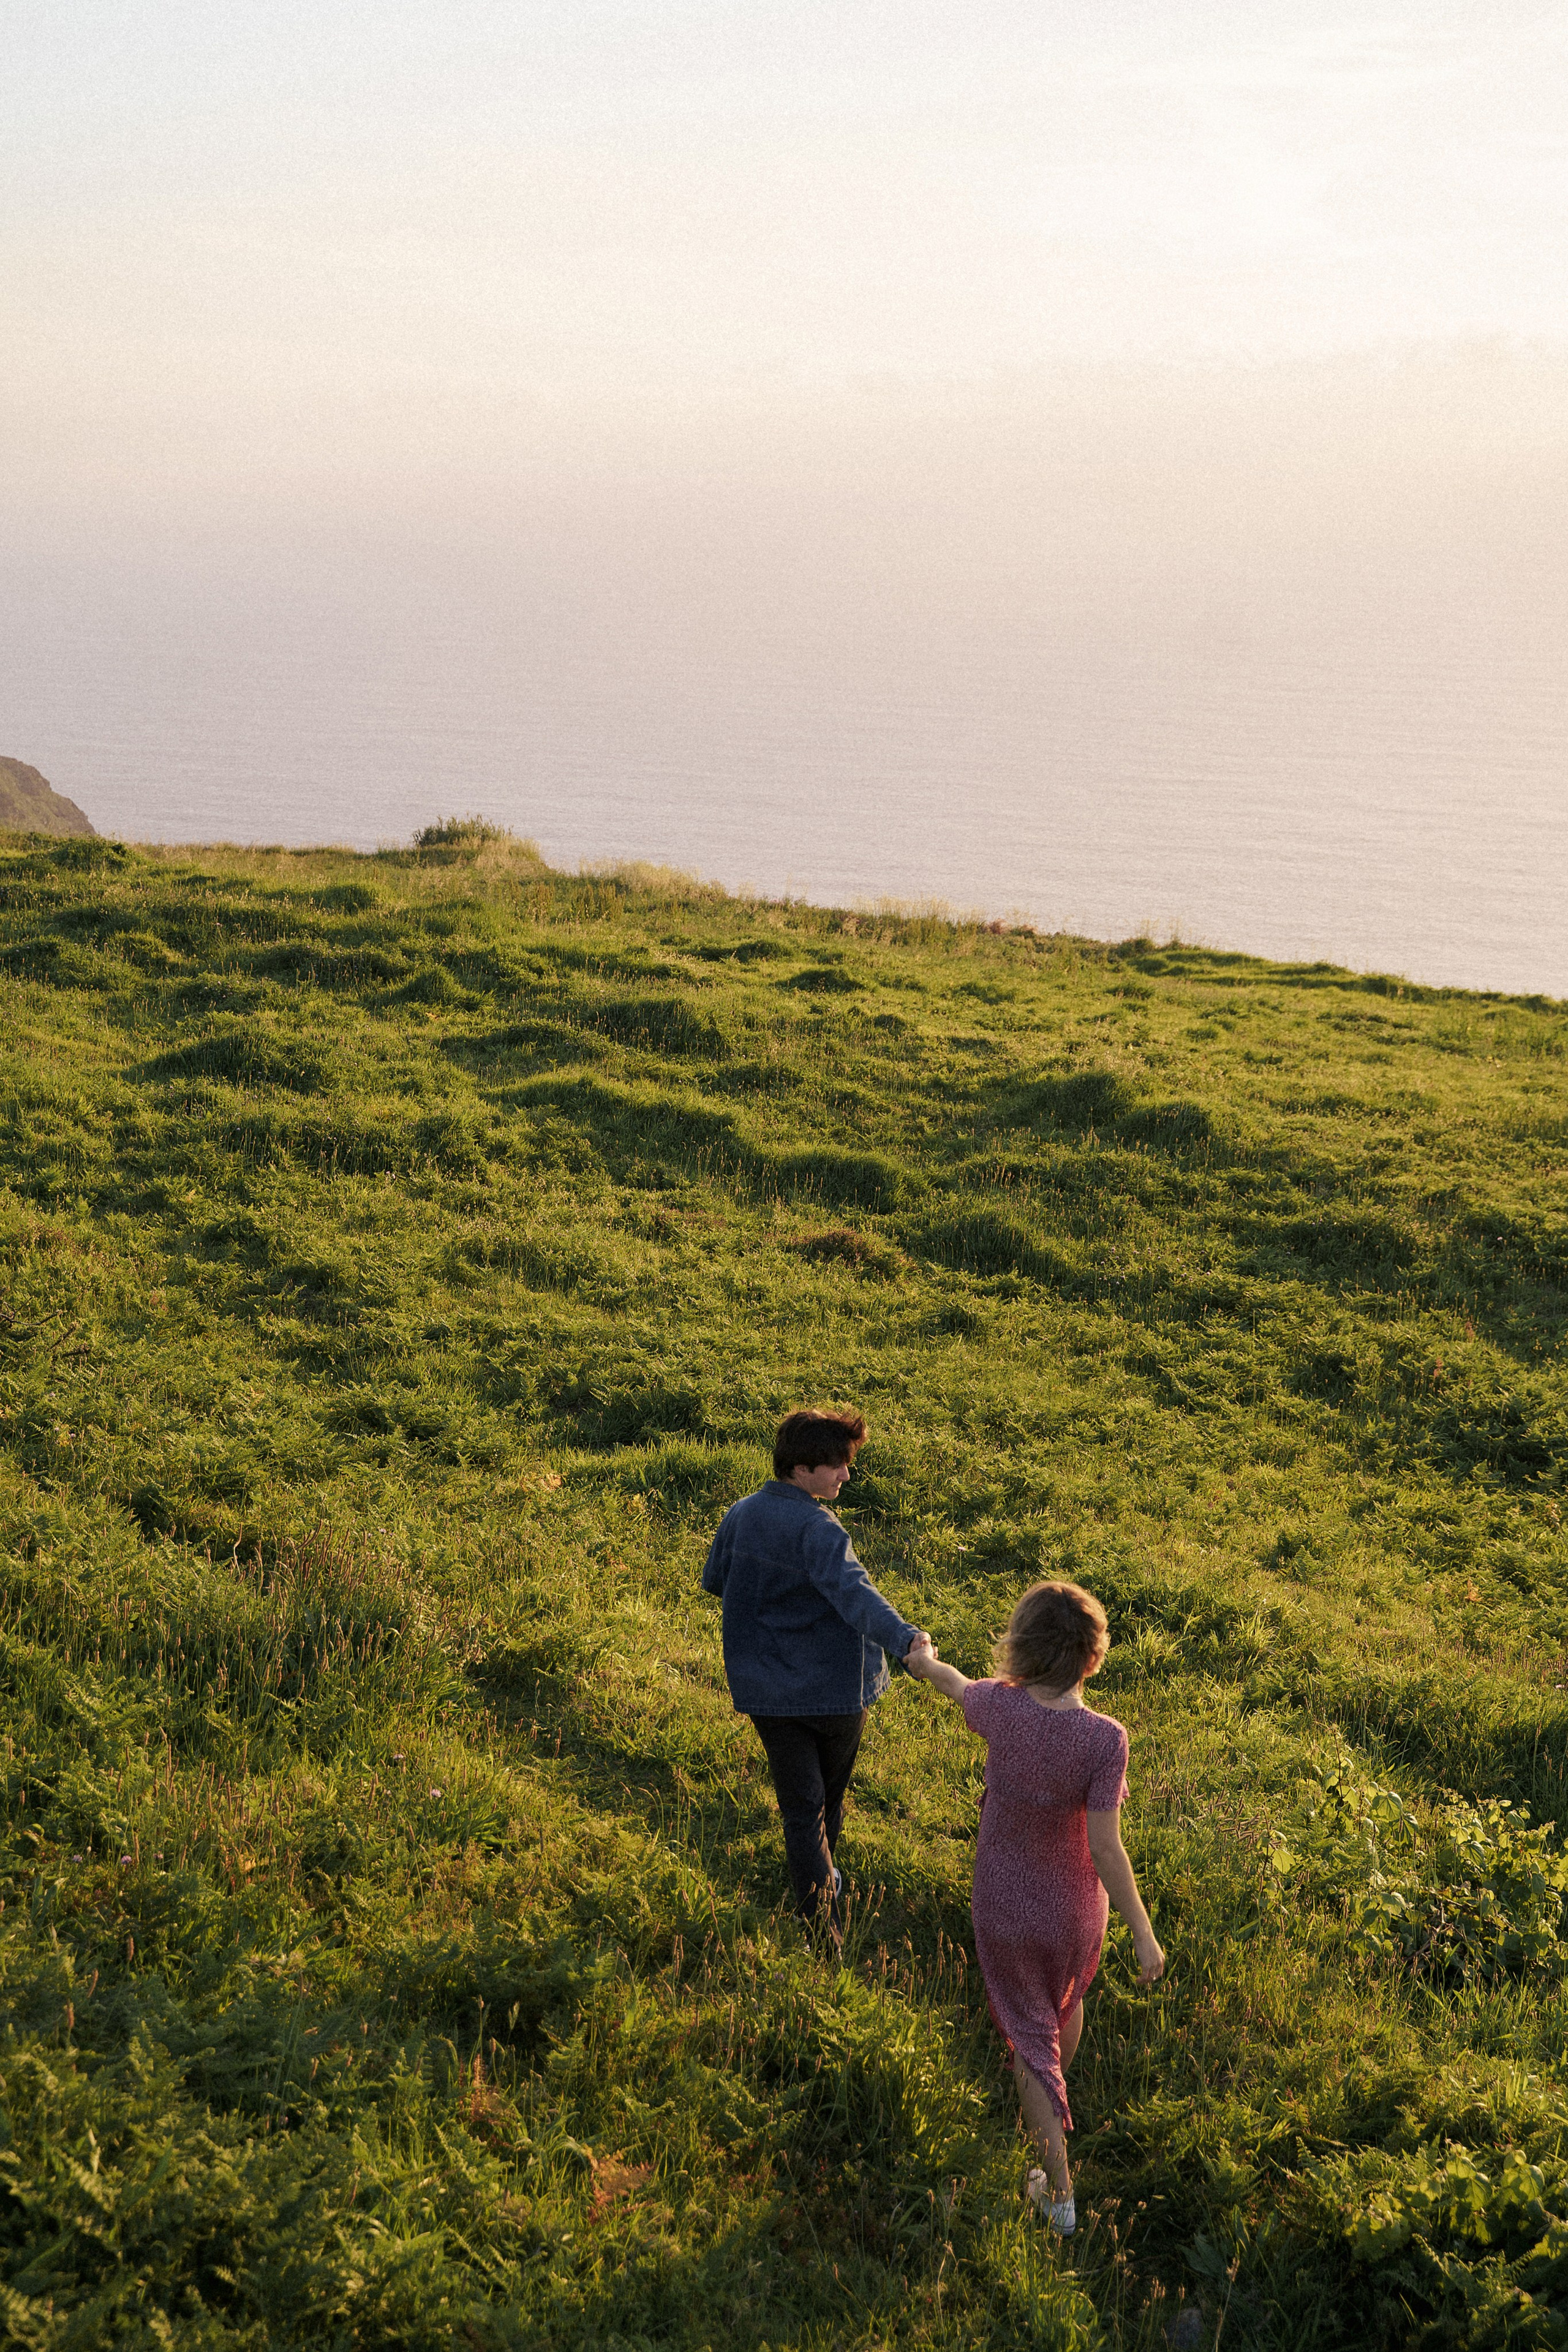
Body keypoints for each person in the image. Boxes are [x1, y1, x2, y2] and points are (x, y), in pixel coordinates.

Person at [905, 1580, 1163, 2235]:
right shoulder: (1105, 1739)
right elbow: (1106, 1848)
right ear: (1092, 1656)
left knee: (1029, 2037)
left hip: (1007, 1904)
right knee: (1062, 2005)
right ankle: (1043, 2095)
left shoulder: (1001, 1706)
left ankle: (1057, 2194)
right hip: (1076, 1912)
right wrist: (1142, 1932)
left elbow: (952, 1682)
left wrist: (923, 1658)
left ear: (1021, 1645)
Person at [703, 1408, 932, 1940]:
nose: (846, 1475)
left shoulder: (740, 1514)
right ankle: (824, 1909)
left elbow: (717, 1581)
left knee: (801, 1810)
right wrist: (906, 1640)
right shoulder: (817, 1528)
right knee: (826, 1802)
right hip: (835, 1695)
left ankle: (819, 1912)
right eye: (837, 1465)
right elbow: (857, 1594)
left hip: (768, 1694)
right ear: (802, 1468)